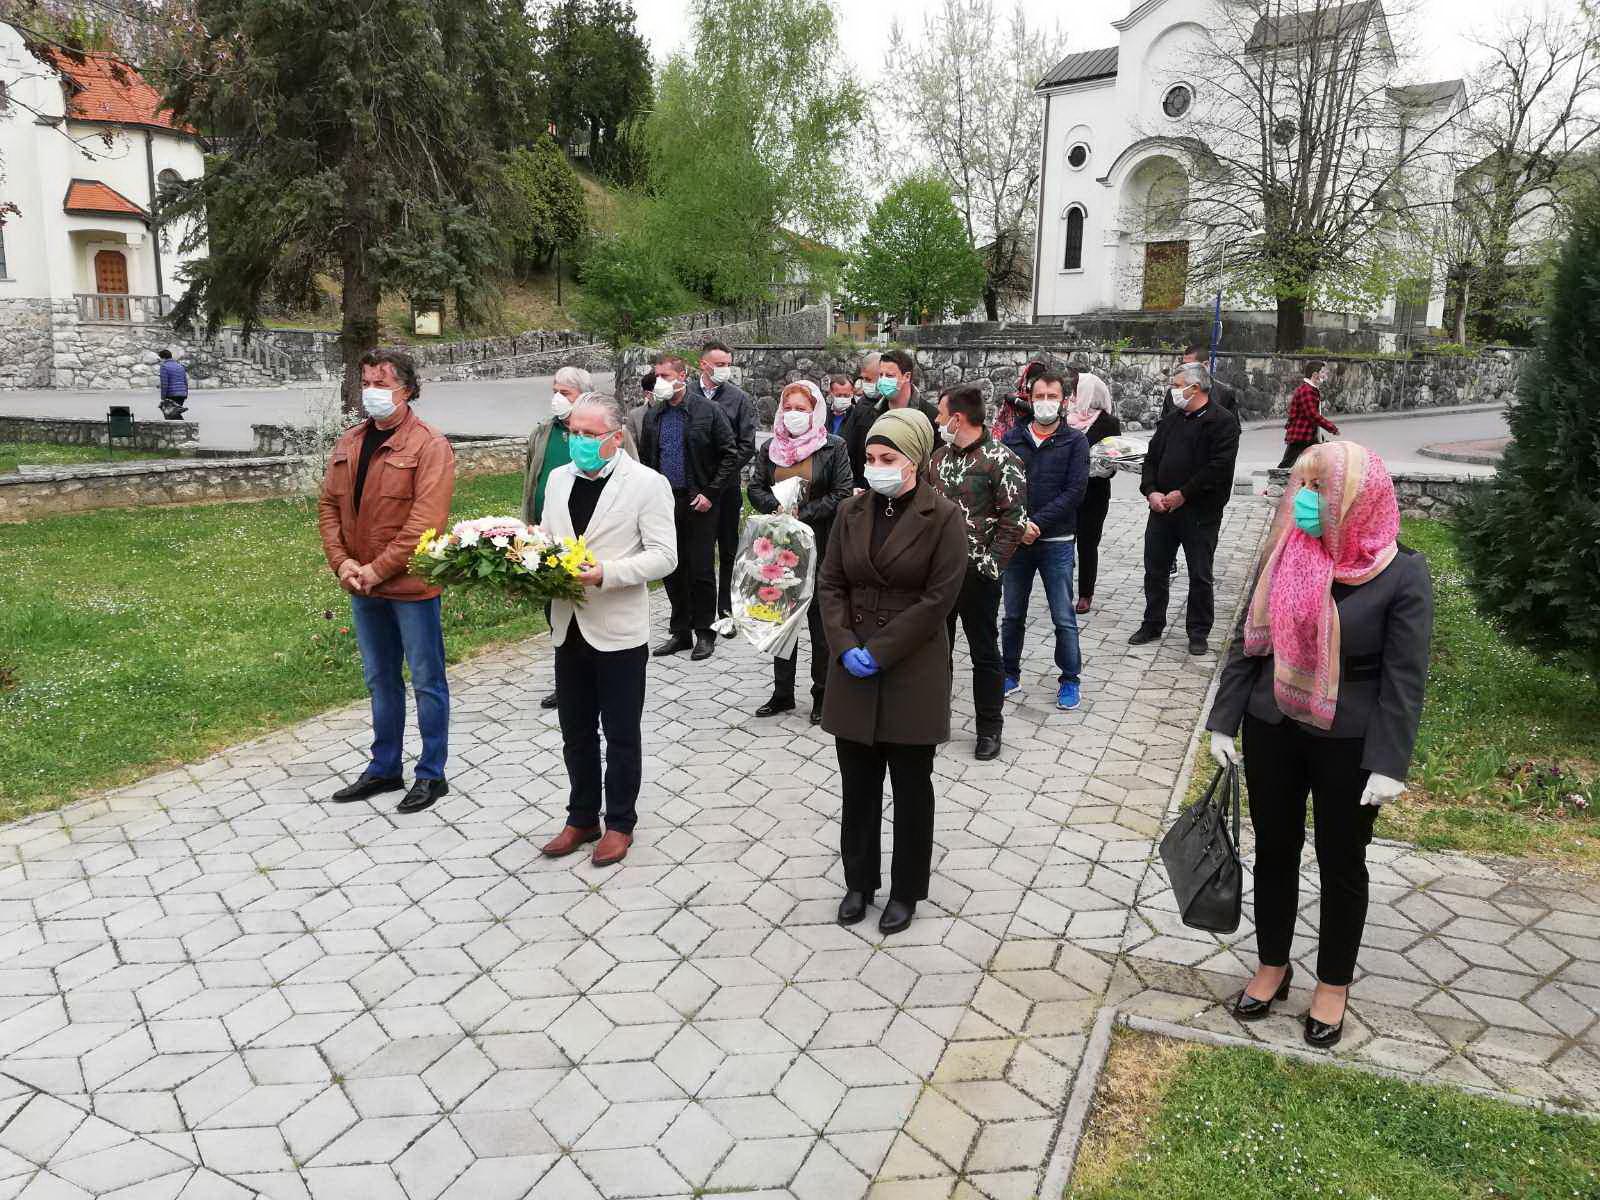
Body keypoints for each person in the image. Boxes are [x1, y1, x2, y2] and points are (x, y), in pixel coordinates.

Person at [1206, 441, 1432, 1048]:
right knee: (1275, 851)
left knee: (1341, 863)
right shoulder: (1286, 551)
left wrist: (1389, 762)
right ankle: (1272, 966)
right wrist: (1223, 721)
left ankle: (1332, 984)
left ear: (1354, 502)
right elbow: (1247, 642)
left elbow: (1404, 679)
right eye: (1299, 487)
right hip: (1273, 723)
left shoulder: (1402, 573)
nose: (1301, 501)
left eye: (1316, 491)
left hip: (1349, 741)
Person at [818, 409, 967, 935]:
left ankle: (906, 890)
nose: (875, 467)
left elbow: (938, 600)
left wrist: (880, 650)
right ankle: (859, 883)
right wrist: (843, 645)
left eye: (888, 459)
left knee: (911, 786)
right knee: (857, 786)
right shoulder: (851, 512)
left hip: (911, 668)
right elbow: (830, 584)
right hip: (852, 666)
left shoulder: (945, 517)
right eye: (870, 458)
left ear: (916, 461)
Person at [537, 394, 678, 868]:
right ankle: (581, 817)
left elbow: (664, 556)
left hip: (617, 628)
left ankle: (620, 822)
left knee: (620, 732)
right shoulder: (558, 480)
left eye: (588, 434)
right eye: (572, 432)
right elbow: (546, 537)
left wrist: (607, 573)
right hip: (567, 623)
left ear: (615, 438)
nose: (577, 441)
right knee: (574, 730)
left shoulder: (646, 485)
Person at [318, 348, 455, 815]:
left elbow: (424, 524)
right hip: (362, 585)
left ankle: (431, 775)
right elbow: (329, 507)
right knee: (380, 679)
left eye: (382, 383)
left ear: (408, 390)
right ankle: (384, 767)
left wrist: (376, 569)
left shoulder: (429, 445)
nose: (371, 392)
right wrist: (343, 564)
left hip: (409, 586)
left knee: (426, 680)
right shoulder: (351, 441)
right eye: (367, 383)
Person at [522, 367, 637, 712]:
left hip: (605, 568)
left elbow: (630, 486)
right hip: (551, 538)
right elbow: (533, 475)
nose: (557, 398)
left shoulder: (627, 455)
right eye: (555, 390)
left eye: (566, 393)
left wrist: (609, 570)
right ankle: (567, 681)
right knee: (558, 613)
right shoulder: (544, 433)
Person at [747, 380, 854, 722]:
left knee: (821, 625)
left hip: (820, 545)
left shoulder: (832, 446)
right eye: (788, 408)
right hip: (781, 550)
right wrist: (777, 509)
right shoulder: (771, 448)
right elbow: (755, 486)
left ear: (815, 412)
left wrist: (802, 513)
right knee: (782, 622)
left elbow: (843, 490)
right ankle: (782, 694)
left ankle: (823, 694)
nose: (793, 415)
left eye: (801, 409)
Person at [931, 383, 1027, 759]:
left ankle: (989, 729)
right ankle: (935, 720)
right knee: (938, 650)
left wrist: (989, 566)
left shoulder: (1001, 459)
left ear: (957, 418)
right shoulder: (938, 459)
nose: (938, 421)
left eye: (941, 415)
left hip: (978, 576)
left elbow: (1014, 519)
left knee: (984, 653)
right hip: (938, 573)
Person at [1130, 362, 1241, 655]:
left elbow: (1218, 467)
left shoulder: (1223, 422)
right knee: (1155, 570)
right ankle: (1152, 623)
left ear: (1195, 387)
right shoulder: (1171, 420)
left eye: (1178, 385)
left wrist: (1184, 494)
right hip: (1162, 510)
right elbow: (1151, 459)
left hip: (1199, 513)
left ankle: (1198, 631)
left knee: (1200, 574)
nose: (1174, 391)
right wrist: (1151, 491)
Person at [999, 369, 1090, 710]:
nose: (1046, 403)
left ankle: (1069, 678)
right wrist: (1018, 525)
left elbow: (1074, 491)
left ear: (1064, 401)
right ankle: (1009, 673)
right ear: (1029, 398)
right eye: (1040, 397)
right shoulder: (1012, 439)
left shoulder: (1075, 441)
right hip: (1017, 542)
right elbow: (1003, 488)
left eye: (1053, 397)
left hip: (1057, 541)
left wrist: (1034, 523)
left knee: (1063, 616)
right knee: (1012, 615)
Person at [639, 355, 738, 660]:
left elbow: (730, 454)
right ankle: (680, 631)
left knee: (701, 569)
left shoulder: (708, 411)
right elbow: (646, 459)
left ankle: (705, 631)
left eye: (666, 375)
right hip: (665, 503)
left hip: (699, 501)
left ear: (682, 375)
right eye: (657, 376)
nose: (660, 382)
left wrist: (710, 491)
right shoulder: (653, 415)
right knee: (671, 568)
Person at [688, 341, 757, 630]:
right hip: (694, 489)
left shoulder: (738, 399)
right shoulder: (688, 395)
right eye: (719, 364)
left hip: (726, 488)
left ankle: (725, 609)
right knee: (695, 551)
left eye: (728, 363)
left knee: (728, 548)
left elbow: (747, 444)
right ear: (703, 364)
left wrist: (719, 476)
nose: (725, 369)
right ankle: (696, 611)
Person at [1066, 370, 1122, 615]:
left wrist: (1097, 468)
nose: (1073, 395)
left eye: (1077, 391)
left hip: (1094, 493)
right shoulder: (1067, 419)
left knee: (1088, 544)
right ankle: (1061, 590)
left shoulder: (1108, 422)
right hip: (1066, 492)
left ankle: (1085, 594)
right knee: (1064, 543)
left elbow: (1114, 462)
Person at [872, 349, 940, 442]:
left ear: (907, 376)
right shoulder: (870, 411)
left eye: (889, 375)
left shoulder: (930, 417)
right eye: (880, 375)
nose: (883, 380)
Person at [1281, 359, 1339, 468]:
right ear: (1315, 375)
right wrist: (1331, 427)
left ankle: (1312, 483)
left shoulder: (1312, 389)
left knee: (1318, 462)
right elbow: (1312, 414)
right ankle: (1276, 483)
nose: (1325, 375)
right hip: (1301, 436)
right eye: (1322, 372)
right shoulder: (1306, 390)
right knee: (1286, 465)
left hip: (1309, 434)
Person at [826, 372, 877, 488]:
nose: (842, 399)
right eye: (838, 395)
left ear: (852, 393)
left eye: (846, 395)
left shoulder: (859, 416)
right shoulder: (821, 415)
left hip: (849, 479)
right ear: (831, 393)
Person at [1182, 344, 1238, 414]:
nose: (1184, 369)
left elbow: (1232, 423)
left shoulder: (1225, 393)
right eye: (1183, 365)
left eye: (1190, 365)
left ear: (1205, 365)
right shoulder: (1173, 393)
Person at [157, 349, 188, 419]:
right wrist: (185, 394)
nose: (160, 361)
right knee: (174, 414)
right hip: (182, 394)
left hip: (171, 394)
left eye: (160, 359)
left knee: (170, 415)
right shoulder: (180, 366)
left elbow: (164, 384)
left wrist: (163, 398)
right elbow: (185, 381)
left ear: (163, 358)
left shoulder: (164, 367)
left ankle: (185, 427)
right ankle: (182, 427)